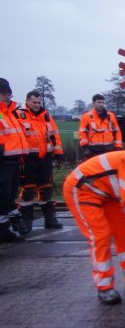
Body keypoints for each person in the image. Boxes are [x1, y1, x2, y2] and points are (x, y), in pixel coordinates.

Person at [63, 143, 125, 304]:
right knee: (100, 235)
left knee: (124, 229)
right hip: (82, 189)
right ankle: (104, 287)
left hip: (106, 194)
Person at [13, 90, 64, 233]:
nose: (37, 105)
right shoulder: (18, 114)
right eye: (34, 102)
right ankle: (27, 221)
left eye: (39, 102)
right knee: (28, 190)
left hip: (45, 158)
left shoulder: (46, 115)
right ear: (27, 101)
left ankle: (50, 219)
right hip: (27, 158)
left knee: (46, 188)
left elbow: (55, 135)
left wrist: (58, 153)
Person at [0, 78, 30, 243]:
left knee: (9, 195)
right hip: (3, 161)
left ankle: (5, 230)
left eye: (8, 93)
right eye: (3, 93)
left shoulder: (10, 112)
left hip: (13, 160)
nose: (7, 97)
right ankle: (4, 230)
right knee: (3, 196)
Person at [78, 94, 122, 159]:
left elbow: (117, 131)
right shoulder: (86, 116)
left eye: (103, 102)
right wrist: (85, 148)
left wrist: (118, 146)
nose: (101, 104)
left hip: (109, 148)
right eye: (98, 102)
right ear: (93, 103)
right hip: (93, 150)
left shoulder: (110, 115)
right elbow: (82, 133)